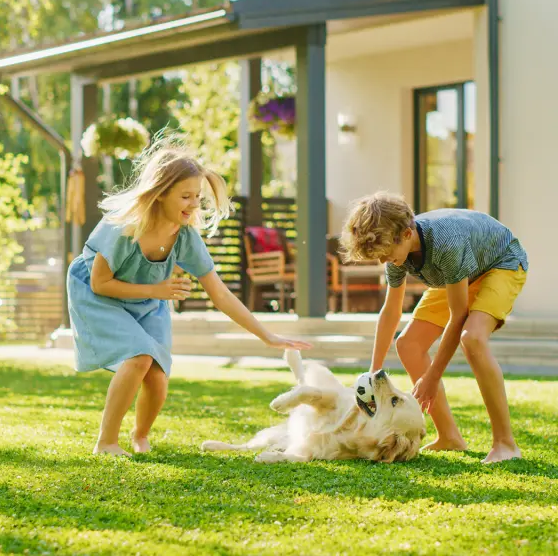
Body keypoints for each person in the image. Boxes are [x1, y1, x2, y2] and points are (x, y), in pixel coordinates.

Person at [67, 134, 312, 457]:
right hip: (98, 296)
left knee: (157, 376)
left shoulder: (184, 237)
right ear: (160, 193)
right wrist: (157, 290)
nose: (194, 204)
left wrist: (267, 336)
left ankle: (140, 437)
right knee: (139, 357)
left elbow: (221, 295)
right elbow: (100, 283)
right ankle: (106, 442)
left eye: (197, 196)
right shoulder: (122, 227)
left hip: (147, 300)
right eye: (185, 196)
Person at [339, 192, 528, 464]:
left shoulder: (446, 243)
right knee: (408, 344)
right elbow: (391, 310)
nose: (384, 261)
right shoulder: (396, 253)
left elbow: (458, 316)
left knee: (472, 338)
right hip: (459, 276)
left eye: (387, 254)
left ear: (406, 234)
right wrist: (373, 373)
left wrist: (432, 377)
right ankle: (450, 437)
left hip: (501, 264)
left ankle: (505, 443)